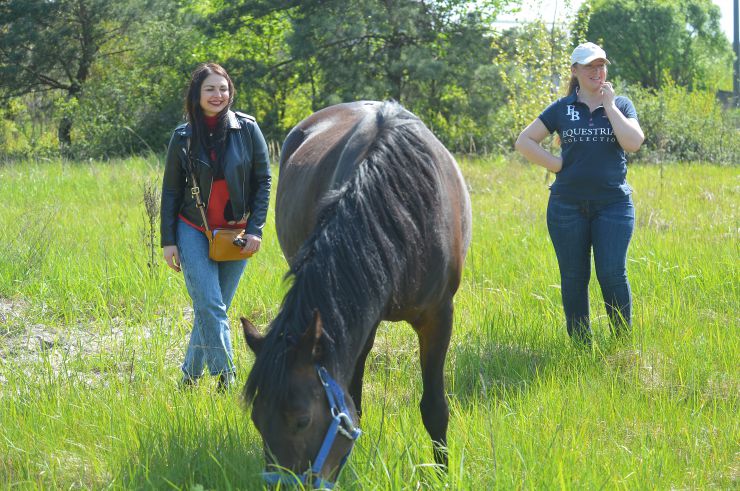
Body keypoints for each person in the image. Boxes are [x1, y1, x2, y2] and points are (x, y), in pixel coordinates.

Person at [515, 42, 644, 345]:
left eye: (601, 65)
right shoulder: (562, 109)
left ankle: (622, 344)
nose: (597, 72)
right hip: (566, 207)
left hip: (613, 205)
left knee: (612, 273)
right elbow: (525, 141)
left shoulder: (621, 105)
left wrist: (609, 107)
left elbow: (634, 142)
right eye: (589, 66)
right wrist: (557, 164)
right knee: (574, 279)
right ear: (575, 70)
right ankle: (581, 346)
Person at [160, 62, 271, 389]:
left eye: (223, 88)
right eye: (210, 88)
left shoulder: (248, 129)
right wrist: (168, 240)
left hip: (236, 234)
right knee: (211, 306)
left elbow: (264, 181)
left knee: (213, 311)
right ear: (197, 94)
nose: (218, 95)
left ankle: (188, 379)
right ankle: (228, 377)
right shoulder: (182, 137)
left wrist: (255, 229)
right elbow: (170, 191)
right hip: (192, 228)